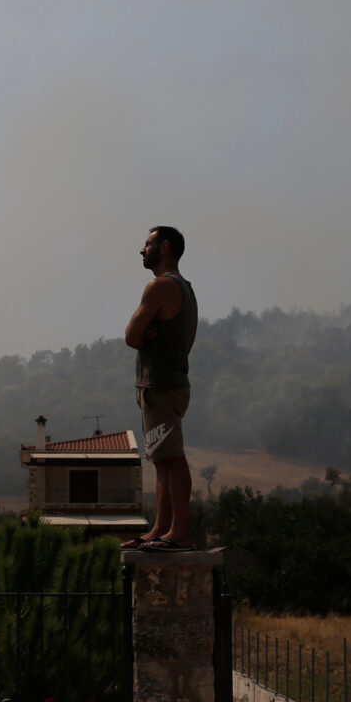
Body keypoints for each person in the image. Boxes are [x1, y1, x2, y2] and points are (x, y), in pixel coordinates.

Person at [123, 225, 199, 552]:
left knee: (172, 458)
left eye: (149, 243)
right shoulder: (186, 288)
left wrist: (144, 334)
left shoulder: (160, 287)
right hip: (169, 384)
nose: (142, 249)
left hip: (161, 386)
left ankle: (177, 533)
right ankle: (160, 529)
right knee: (162, 459)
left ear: (165, 247)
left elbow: (131, 336)